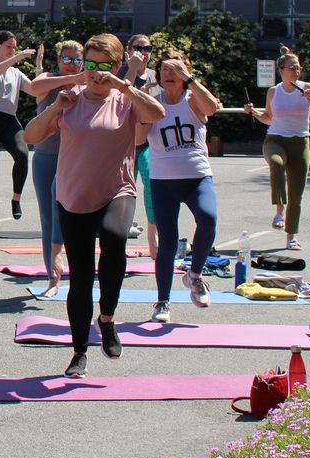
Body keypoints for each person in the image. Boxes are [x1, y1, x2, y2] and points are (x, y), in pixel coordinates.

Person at [25, 33, 165, 379]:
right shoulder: (70, 102)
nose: (95, 73)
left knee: (116, 238)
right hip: (74, 197)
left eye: (104, 66)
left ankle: (106, 318)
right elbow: (30, 136)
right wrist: (57, 105)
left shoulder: (124, 100)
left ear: (116, 66)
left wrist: (125, 85)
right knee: (82, 277)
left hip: (117, 190)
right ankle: (78, 352)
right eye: (90, 65)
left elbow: (156, 113)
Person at [138, 50, 222, 324]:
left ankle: (194, 275)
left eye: (175, 70)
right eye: (164, 70)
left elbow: (211, 109)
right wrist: (143, 107)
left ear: (185, 73)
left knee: (208, 219)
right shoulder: (154, 102)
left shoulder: (193, 99)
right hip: (163, 182)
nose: (169, 75)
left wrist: (192, 80)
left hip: (196, 177)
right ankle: (162, 301)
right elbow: (139, 138)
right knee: (168, 243)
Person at [244, 47, 310, 250]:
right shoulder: (274, 91)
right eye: (291, 68)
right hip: (275, 139)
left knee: (296, 193)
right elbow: (268, 117)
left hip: (300, 142)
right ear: (281, 70)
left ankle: (291, 236)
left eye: (298, 68)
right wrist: (254, 112)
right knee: (276, 163)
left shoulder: (306, 87)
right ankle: (279, 210)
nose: (296, 71)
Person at [26, 41, 86, 298]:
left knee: (70, 215)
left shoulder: (85, 87)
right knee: (48, 218)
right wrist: (65, 79)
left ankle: (74, 272)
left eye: (77, 61)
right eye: (67, 59)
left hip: (74, 160)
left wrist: (81, 80)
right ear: (58, 60)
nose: (72, 64)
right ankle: (53, 279)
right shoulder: (48, 79)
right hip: (45, 157)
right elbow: (33, 87)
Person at [0, 31, 38, 234]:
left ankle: (16, 199)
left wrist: (40, 70)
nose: (12, 50)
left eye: (14, 47)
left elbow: (36, 90)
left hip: (9, 121)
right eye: (8, 46)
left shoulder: (16, 74)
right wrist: (18, 58)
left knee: (22, 155)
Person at [121, 33, 161, 258]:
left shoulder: (155, 77)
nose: (144, 53)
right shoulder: (122, 74)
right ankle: (121, 234)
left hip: (146, 144)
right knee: (124, 192)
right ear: (129, 51)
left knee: (152, 186)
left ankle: (152, 236)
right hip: (123, 146)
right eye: (139, 48)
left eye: (148, 48)